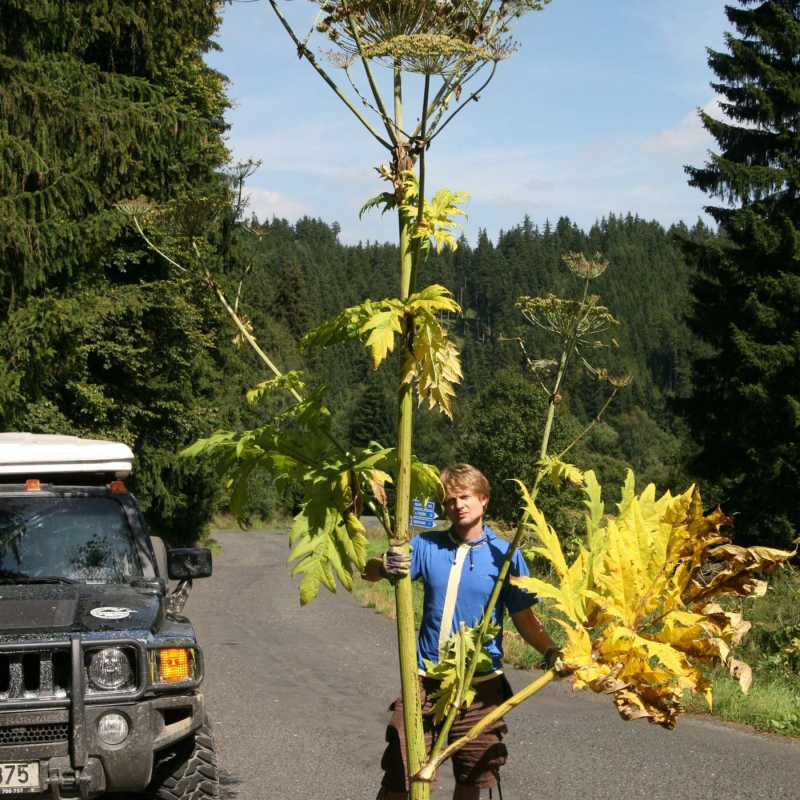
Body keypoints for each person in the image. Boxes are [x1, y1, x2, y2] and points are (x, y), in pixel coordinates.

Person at [362, 464, 567, 800]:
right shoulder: (427, 546)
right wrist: (383, 564)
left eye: (465, 497)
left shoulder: (506, 555)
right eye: (449, 500)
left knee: (473, 777)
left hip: (481, 689)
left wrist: (550, 651)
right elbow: (371, 574)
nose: (457, 505)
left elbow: (524, 617)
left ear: (483, 499)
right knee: (401, 774)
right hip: (424, 684)